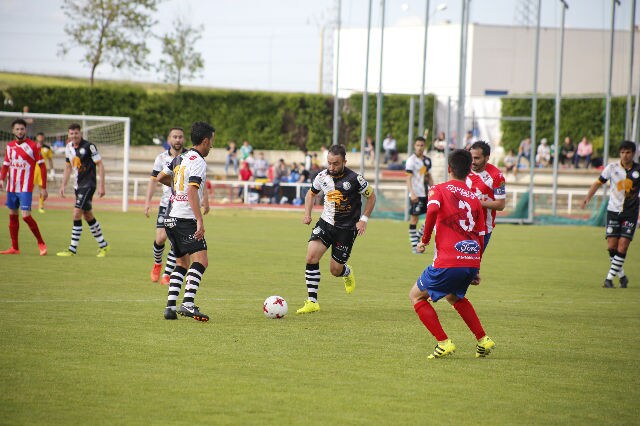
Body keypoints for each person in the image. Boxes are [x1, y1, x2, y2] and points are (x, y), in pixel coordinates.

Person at [409, 149, 495, 359]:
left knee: (416, 296)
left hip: (448, 261)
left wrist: (424, 241)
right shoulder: (475, 198)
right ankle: (483, 340)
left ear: (449, 169)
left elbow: (431, 212)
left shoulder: (438, 189)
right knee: (454, 296)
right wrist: (476, 268)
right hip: (471, 260)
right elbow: (481, 234)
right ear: (468, 172)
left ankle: (443, 342)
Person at [296, 144, 376, 314]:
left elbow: (371, 197)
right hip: (325, 223)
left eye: (336, 163)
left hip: (346, 229)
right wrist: (307, 214)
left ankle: (346, 271)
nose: (332, 167)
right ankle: (312, 301)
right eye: (329, 163)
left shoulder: (356, 179)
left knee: (335, 270)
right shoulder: (322, 176)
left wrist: (364, 219)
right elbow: (311, 194)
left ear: (344, 162)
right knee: (311, 257)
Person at [155, 121, 215, 321]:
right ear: (205, 141)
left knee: (181, 262)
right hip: (185, 218)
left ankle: (170, 307)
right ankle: (188, 303)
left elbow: (161, 177)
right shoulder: (197, 160)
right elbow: (191, 190)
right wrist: (199, 220)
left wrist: (175, 188)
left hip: (170, 218)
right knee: (201, 261)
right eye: (211, 142)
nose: (212, 146)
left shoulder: (179, 158)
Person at [581, 140, 640, 289]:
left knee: (623, 245)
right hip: (613, 211)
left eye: (628, 152)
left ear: (633, 153)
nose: (625, 155)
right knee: (612, 246)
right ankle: (622, 277)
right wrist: (588, 197)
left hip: (630, 213)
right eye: (622, 152)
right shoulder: (612, 168)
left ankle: (608, 279)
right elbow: (597, 183)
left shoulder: (638, 170)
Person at [56, 123, 110, 257]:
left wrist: (102, 185)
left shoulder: (89, 146)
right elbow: (68, 167)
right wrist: (63, 185)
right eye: (71, 133)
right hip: (77, 186)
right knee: (88, 215)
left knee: (76, 213)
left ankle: (72, 249)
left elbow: (100, 165)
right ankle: (103, 246)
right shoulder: (68, 147)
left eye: (76, 133)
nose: (74, 136)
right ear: (68, 135)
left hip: (88, 184)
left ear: (80, 134)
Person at [144, 127, 186, 285]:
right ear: (169, 139)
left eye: (180, 137)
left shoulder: (188, 157)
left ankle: (167, 274)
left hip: (181, 204)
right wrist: (148, 202)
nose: (177, 140)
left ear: (184, 139)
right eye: (174, 137)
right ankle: (157, 264)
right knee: (160, 238)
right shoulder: (161, 158)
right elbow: (154, 180)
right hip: (165, 203)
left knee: (173, 238)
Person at [0, 118, 48, 256]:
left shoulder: (34, 146)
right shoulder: (9, 146)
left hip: (25, 187)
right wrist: (1, 179)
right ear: (13, 131)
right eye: (17, 129)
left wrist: (43, 187)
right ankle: (14, 247)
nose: (20, 131)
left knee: (26, 216)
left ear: (25, 130)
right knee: (12, 216)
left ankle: (41, 243)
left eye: (22, 129)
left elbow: (42, 167)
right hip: (11, 187)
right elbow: (5, 165)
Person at [466, 141, 506, 249]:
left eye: (477, 158)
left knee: (471, 264)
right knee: (456, 263)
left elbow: (501, 205)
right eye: (471, 157)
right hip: (462, 225)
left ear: (487, 158)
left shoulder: (497, 176)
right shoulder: (464, 170)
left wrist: (477, 203)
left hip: (482, 229)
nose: (472, 162)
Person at [405, 136, 433, 253]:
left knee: (431, 218)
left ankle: (416, 238)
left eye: (422, 145)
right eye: (418, 145)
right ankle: (414, 245)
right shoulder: (411, 160)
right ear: (414, 146)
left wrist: (434, 189)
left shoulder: (427, 161)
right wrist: (412, 193)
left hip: (426, 193)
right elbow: (408, 178)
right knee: (414, 220)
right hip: (416, 194)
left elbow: (427, 176)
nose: (420, 148)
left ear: (424, 146)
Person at [33, 132, 54, 213]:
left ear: (43, 138)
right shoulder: (33, 146)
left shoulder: (47, 148)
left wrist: (52, 171)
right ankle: (26, 205)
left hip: (42, 171)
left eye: (42, 137)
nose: (40, 138)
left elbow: (50, 160)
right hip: (33, 171)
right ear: (37, 137)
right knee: (29, 189)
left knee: (42, 189)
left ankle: (41, 206)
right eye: (39, 137)